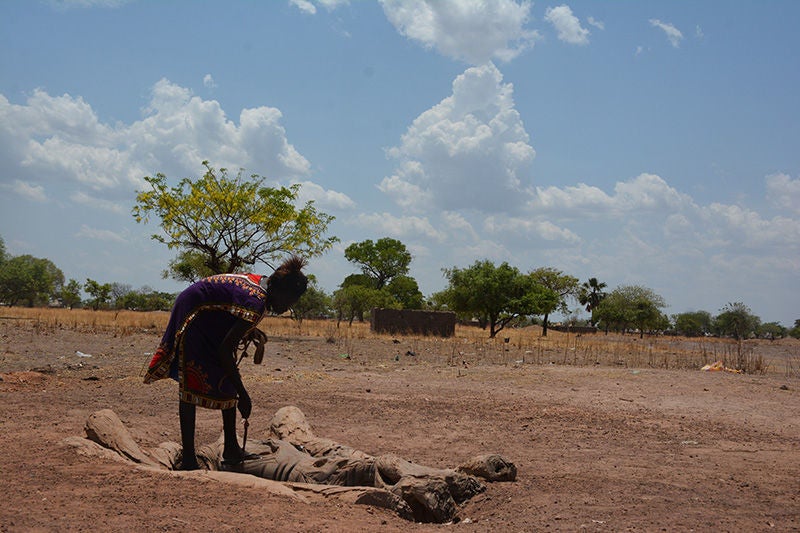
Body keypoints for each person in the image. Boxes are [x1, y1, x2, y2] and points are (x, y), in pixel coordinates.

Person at [143, 256, 308, 470]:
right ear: (281, 291)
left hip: (210, 316)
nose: (286, 308)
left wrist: (249, 332)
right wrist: (243, 394)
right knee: (191, 381)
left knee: (227, 377)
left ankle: (231, 447)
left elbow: (230, 317)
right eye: (289, 302)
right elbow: (224, 350)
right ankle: (189, 459)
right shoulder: (256, 301)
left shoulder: (264, 285)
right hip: (194, 318)